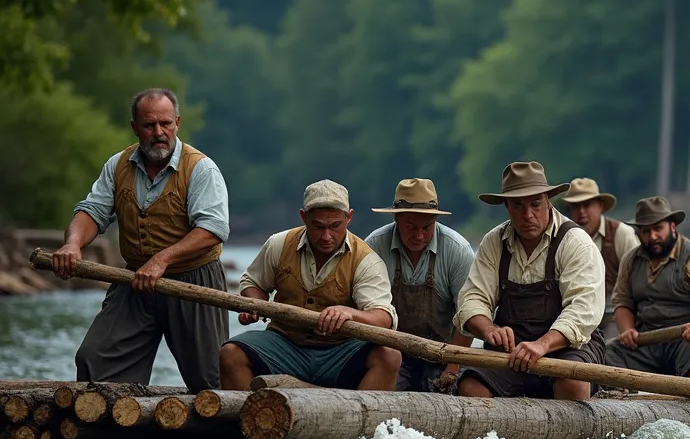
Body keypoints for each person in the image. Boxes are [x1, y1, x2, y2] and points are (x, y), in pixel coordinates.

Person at [50, 88, 229, 392]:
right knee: (96, 361)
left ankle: (226, 438)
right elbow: (92, 212)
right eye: (149, 125)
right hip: (134, 281)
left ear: (177, 123)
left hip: (194, 281)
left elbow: (212, 229)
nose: (158, 133)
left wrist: (162, 260)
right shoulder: (117, 166)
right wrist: (73, 244)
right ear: (135, 127)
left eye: (166, 124)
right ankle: (112, 434)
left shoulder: (201, 169)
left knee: (211, 379)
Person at [219, 180, 401, 391]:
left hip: (341, 352)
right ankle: (249, 420)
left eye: (334, 226)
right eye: (318, 226)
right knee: (230, 354)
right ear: (303, 217)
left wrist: (349, 313)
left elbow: (383, 318)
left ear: (349, 217)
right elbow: (253, 282)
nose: (326, 236)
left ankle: (362, 421)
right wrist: (254, 304)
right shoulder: (279, 244)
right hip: (283, 344)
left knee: (389, 356)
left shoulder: (366, 261)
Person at [453, 162, 605, 400]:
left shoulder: (576, 242)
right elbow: (473, 298)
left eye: (535, 205)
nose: (528, 215)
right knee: (471, 388)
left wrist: (543, 345)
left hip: (568, 349)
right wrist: (489, 329)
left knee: (573, 385)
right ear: (506, 206)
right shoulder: (494, 242)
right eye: (518, 206)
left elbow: (584, 309)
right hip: (511, 352)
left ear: (548, 201)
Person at [365, 178, 475, 392]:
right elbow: (365, 308)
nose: (419, 235)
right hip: (391, 349)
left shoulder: (458, 250)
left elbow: (467, 315)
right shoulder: (374, 246)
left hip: (444, 352)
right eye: (410, 227)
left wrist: (452, 369)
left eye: (426, 227)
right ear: (396, 218)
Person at [605, 197, 690, 379]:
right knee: (607, 354)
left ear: (672, 226)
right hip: (647, 341)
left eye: (658, 229)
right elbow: (622, 302)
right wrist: (627, 330)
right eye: (646, 231)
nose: (652, 236)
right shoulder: (630, 260)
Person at [558, 177, 640, 340]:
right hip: (572, 317)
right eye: (576, 206)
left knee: (610, 348)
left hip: (613, 316)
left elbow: (639, 279)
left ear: (600, 206)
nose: (581, 212)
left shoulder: (621, 234)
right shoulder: (562, 238)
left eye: (587, 205)